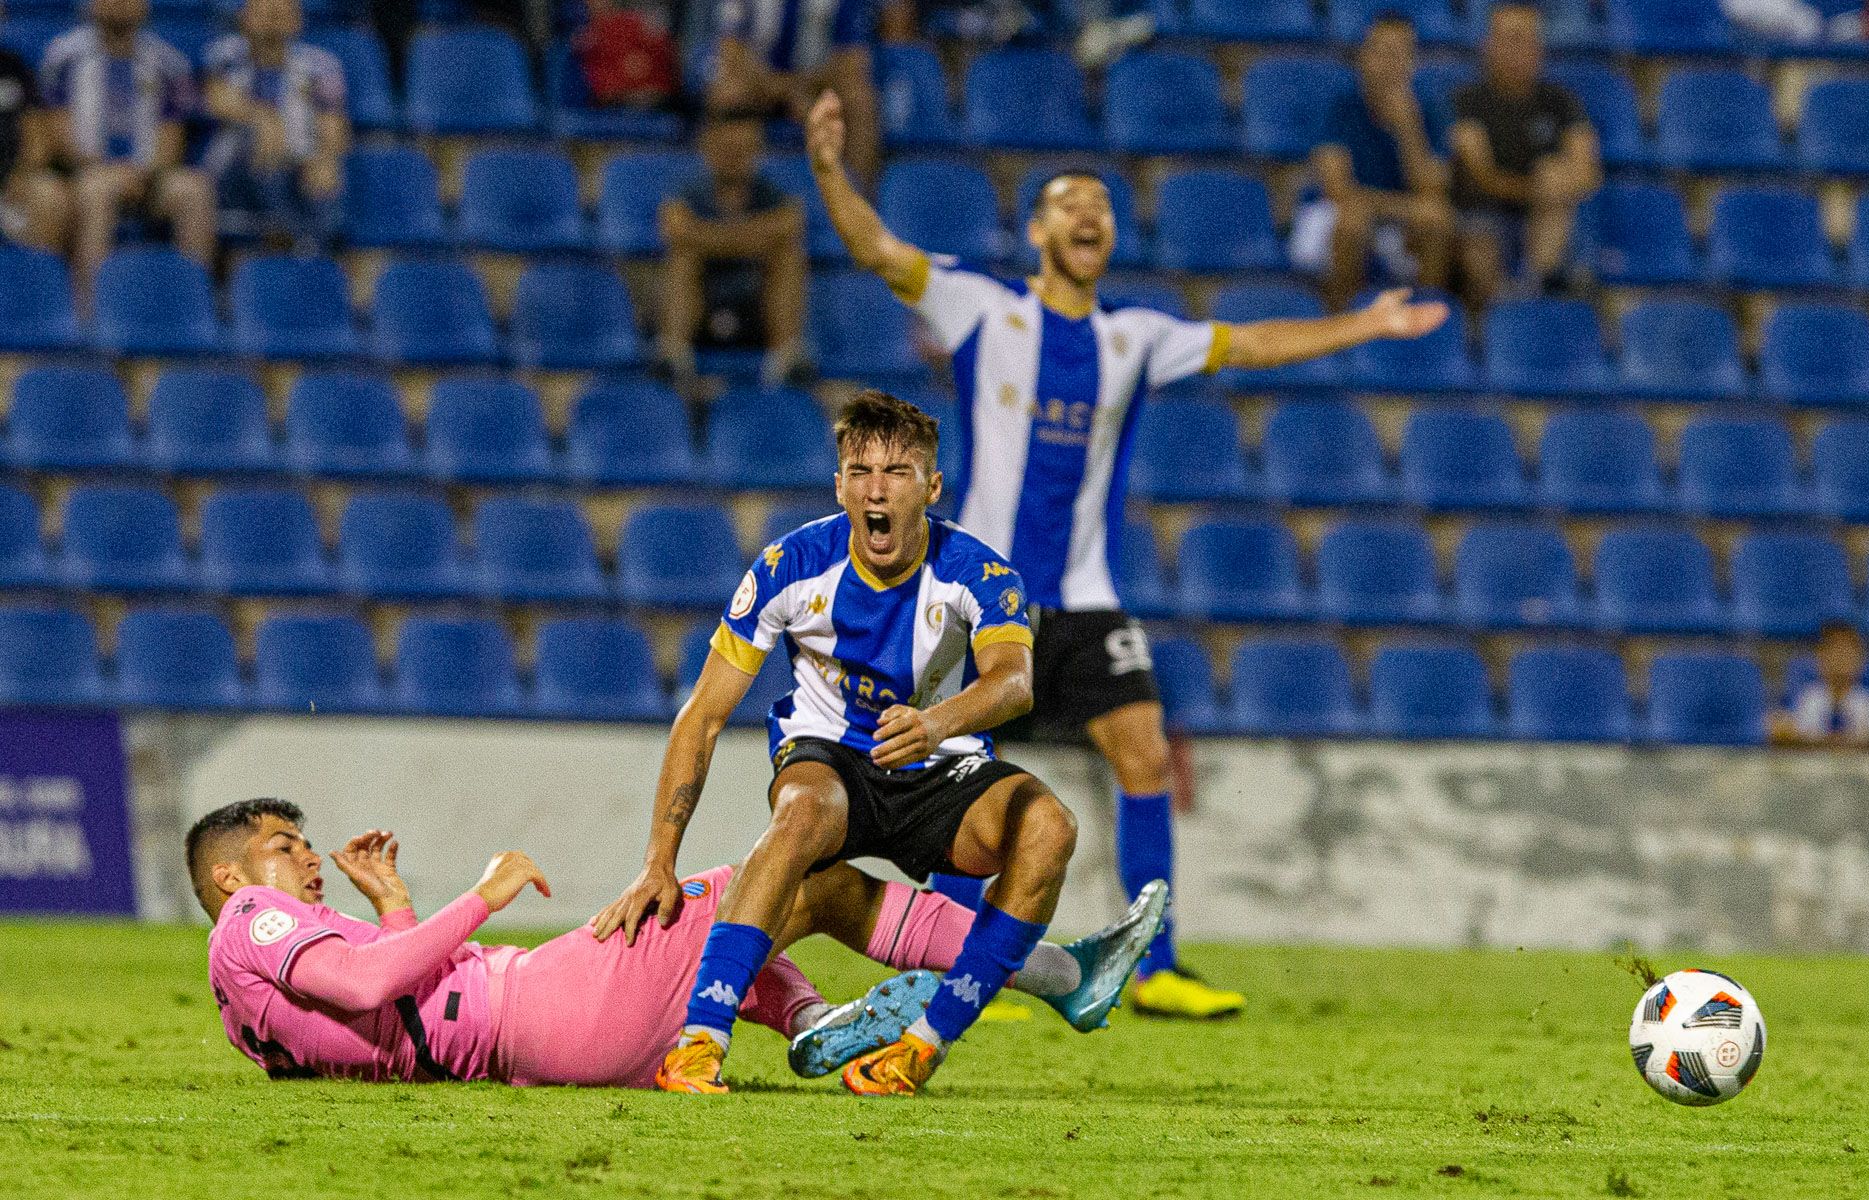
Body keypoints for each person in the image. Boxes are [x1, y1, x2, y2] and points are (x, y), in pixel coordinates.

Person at [804, 87, 1448, 1020]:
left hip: (1087, 597)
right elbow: (875, 248)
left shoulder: (1133, 338)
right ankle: (959, 966)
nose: (1087, 216)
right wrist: (829, 167)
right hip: (984, 601)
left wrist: (1366, 324)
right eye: (1067, 204)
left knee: (1143, 754)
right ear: (1036, 232)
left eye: (1099, 208)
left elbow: (1254, 342)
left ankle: (1155, 968)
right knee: (952, 780)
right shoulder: (983, 308)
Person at [592, 390, 1168, 1096]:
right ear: (839, 485)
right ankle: (699, 1043)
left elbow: (1014, 683)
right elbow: (703, 715)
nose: (876, 488)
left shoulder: (979, 573)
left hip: (938, 762)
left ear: (930, 487)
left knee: (1050, 828)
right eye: (860, 470)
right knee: (799, 815)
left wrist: (934, 724)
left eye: (897, 471)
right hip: (831, 760)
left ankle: (916, 1051)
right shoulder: (790, 565)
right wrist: (658, 862)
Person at [192, 797, 1162, 1087]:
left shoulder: (248, 997)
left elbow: (385, 1012)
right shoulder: (252, 920)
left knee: (731, 936)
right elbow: (368, 984)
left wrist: (397, 902)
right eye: (284, 848)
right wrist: (479, 897)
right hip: (539, 1004)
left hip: (531, 1036)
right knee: (789, 881)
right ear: (231, 879)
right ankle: (1063, 974)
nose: (308, 861)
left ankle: (816, 1018)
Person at [40, 0, 213, 298]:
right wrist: (102, 169)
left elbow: (171, 140)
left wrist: (141, 173)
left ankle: (192, 304)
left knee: (194, 190)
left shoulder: (169, 63)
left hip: (149, 175)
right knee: (98, 190)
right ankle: (90, 311)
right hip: (84, 172)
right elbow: (58, 133)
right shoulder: (63, 56)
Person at [1448, 1, 1600, 308]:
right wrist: (1540, 191)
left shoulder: (1561, 100)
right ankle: (1495, 321)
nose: (1518, 48)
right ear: (1487, 45)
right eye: (1509, 38)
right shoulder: (1465, 101)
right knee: (1480, 244)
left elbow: (1588, 173)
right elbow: (1483, 176)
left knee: (1555, 174)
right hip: (1481, 214)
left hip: (1544, 217)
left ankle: (1533, 286)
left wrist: (1552, 185)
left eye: (1526, 39)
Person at [1301, 12, 1452, 309]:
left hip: (1394, 220)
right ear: (1364, 57)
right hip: (1332, 215)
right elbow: (1337, 190)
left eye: (1400, 54)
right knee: (1352, 220)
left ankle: (1423, 321)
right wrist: (1404, 208)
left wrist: (1409, 131)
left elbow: (1433, 191)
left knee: (1437, 219)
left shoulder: (1428, 111)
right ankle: (1339, 320)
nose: (1391, 64)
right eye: (1382, 52)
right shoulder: (1340, 107)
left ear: (1413, 62)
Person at [657, 109, 810, 392]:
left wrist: (707, 238)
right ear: (708, 148)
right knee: (683, 257)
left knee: (788, 257)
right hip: (704, 301)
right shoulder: (688, 192)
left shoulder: (774, 194)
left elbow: (791, 224)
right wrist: (754, 240)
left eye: (741, 150)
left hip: (756, 304)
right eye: (726, 149)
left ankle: (784, 359)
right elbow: (675, 227)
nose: (733, 157)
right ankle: (675, 359)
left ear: (756, 151)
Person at [201, 0, 348, 251]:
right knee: (261, 143)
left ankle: (313, 256)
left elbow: (332, 121)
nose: (273, 18)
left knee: (328, 172)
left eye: (283, 11)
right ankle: (293, 240)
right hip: (234, 167)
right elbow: (219, 100)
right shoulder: (225, 54)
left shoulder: (322, 65)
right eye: (265, 11)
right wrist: (263, 119)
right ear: (244, 17)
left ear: (298, 20)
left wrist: (326, 158)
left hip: (296, 162)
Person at [709, 0, 879, 183]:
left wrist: (802, 87)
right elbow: (731, 49)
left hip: (816, 86)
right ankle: (724, 197)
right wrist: (783, 89)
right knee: (726, 93)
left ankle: (857, 195)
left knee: (859, 100)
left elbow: (850, 60)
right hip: (760, 85)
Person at [1768, 622, 1869, 749]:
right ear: (1820, 657)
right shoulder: (1807, 699)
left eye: (1848, 652)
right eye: (1834, 651)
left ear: (1860, 659)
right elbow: (1779, 731)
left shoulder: (1868, 702)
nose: (1841, 658)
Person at [0, 36, 67, 251]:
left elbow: (36, 137)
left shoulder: (13, 66)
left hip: (8, 185)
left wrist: (21, 175)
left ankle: (39, 282)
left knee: (49, 194)